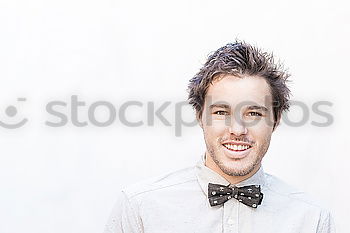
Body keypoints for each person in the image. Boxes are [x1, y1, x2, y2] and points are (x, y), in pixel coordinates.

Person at [103, 41, 336, 233]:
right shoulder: (139, 208)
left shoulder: (312, 220)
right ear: (200, 116)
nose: (237, 129)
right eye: (222, 112)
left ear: (276, 121)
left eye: (253, 113)